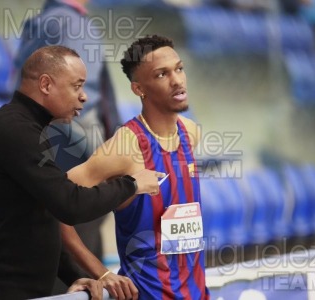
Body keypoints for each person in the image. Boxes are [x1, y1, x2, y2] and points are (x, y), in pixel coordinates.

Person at [0, 45, 163, 300]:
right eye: (77, 86)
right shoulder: (15, 131)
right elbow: (70, 204)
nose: (84, 96)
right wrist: (130, 185)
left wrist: (74, 275)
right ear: (45, 84)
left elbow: (39, 222)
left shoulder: (28, 129)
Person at [61, 35, 210, 299]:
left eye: (179, 68)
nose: (177, 80)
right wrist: (101, 271)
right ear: (138, 89)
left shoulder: (190, 133)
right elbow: (55, 199)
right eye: (161, 74)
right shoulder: (126, 146)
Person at [14, 0, 122, 289]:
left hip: (52, 152)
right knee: (78, 260)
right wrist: (104, 160)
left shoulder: (44, 20)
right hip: (75, 158)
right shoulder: (69, 23)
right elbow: (78, 102)